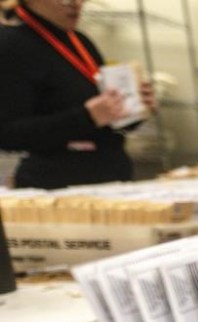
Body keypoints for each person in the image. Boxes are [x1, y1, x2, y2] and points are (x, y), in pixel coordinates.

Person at [0, 0, 156, 189]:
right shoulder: (10, 45)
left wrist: (133, 108)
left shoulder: (81, 41)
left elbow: (104, 123)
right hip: (55, 187)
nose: (75, 3)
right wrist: (87, 116)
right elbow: (8, 134)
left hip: (111, 177)